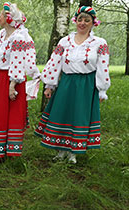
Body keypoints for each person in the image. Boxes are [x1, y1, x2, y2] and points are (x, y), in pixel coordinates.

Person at [35, 6, 110, 164]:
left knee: (78, 117)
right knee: (63, 114)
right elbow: (54, 62)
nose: (82, 23)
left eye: (87, 20)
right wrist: (50, 85)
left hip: (86, 85)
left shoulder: (99, 43)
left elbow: (103, 67)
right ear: (75, 21)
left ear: (93, 23)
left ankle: (73, 153)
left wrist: (102, 90)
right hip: (67, 83)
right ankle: (61, 151)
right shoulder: (65, 41)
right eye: (80, 19)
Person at [0, 2, 40, 161]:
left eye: (1, 15)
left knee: (9, 113)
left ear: (9, 18)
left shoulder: (18, 37)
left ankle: (7, 151)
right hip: (1, 76)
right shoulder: (2, 34)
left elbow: (18, 62)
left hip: (11, 80)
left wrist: (12, 85)